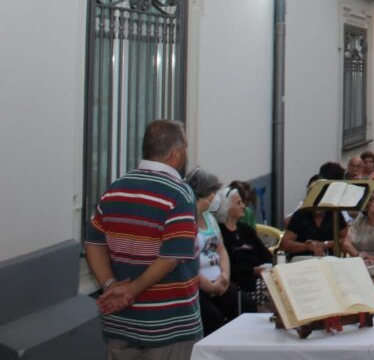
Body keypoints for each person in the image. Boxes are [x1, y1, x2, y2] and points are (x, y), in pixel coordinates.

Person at [85, 120, 202, 358]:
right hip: (168, 326)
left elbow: (94, 244)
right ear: (175, 153)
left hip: (121, 323)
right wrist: (130, 291)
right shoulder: (179, 193)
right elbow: (171, 257)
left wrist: (110, 285)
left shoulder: (115, 189)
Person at [186, 168, 255, 334]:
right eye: (214, 192)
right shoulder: (188, 220)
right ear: (204, 192)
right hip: (200, 288)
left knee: (247, 306)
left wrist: (224, 275)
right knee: (215, 321)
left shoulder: (209, 218)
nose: (217, 197)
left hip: (219, 282)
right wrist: (211, 286)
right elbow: (189, 264)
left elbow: (221, 250)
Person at [215, 185, 273, 301]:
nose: (243, 206)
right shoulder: (220, 234)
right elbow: (227, 267)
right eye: (238, 203)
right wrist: (252, 270)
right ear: (227, 208)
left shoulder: (246, 230)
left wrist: (262, 268)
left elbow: (266, 255)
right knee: (273, 292)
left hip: (258, 278)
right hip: (239, 283)